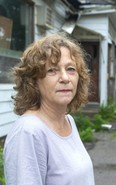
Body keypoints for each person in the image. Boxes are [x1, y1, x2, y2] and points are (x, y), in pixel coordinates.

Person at [3, 33, 95, 185]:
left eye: (71, 69)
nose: (65, 78)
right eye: (52, 70)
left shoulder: (68, 120)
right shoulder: (29, 132)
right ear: (33, 81)